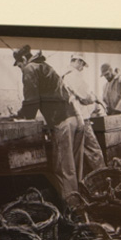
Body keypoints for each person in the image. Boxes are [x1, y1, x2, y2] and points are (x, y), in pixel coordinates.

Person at [13, 45, 103, 200]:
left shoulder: (30, 68)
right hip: (76, 119)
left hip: (62, 123)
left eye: (20, 66)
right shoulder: (46, 66)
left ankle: (72, 210)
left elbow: (31, 101)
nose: (21, 69)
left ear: (23, 60)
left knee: (64, 170)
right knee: (75, 167)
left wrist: (20, 117)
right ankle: (83, 203)